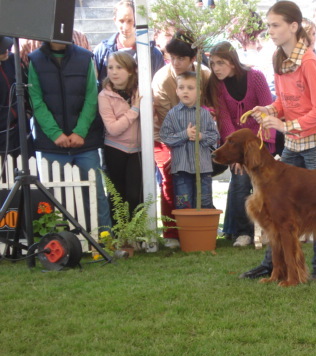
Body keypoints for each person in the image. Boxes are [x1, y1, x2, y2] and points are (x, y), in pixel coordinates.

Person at [239, 0, 316, 282]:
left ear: (293, 27)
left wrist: (285, 126)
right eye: (269, 25)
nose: (270, 30)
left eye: (275, 25)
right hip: (294, 143)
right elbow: (284, 102)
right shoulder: (278, 57)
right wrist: (269, 110)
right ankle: (272, 265)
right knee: (276, 204)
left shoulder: (310, 61)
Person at [28, 41, 111, 231]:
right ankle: (61, 239)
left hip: (85, 142)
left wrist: (80, 131)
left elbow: (92, 96)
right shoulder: (35, 60)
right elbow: (35, 100)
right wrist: (55, 133)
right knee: (55, 196)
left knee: (96, 193)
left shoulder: (85, 57)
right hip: (51, 144)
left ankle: (105, 237)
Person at [205, 41, 275, 247]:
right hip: (236, 145)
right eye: (212, 63)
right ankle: (241, 232)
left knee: (263, 184)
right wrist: (236, 154)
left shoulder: (256, 77)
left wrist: (257, 147)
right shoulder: (217, 85)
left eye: (220, 63)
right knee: (240, 179)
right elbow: (224, 119)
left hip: (261, 141)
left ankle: (263, 229)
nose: (216, 68)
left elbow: (267, 111)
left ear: (232, 61)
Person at [152, 30, 211, 247]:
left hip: (198, 136)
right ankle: (171, 232)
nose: (175, 63)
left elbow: (210, 107)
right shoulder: (162, 79)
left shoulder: (204, 75)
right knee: (170, 176)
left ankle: (199, 225)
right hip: (165, 137)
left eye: (181, 58)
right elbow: (165, 119)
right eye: (172, 57)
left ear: (193, 58)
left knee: (200, 178)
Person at [160, 71, 219, 210]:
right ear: (177, 91)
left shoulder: (204, 114)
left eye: (190, 88)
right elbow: (165, 137)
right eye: (181, 87)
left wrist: (201, 137)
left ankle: (204, 224)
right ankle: (186, 225)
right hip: (181, 169)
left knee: (204, 203)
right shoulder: (172, 114)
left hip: (203, 169)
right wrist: (184, 134)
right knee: (183, 204)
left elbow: (214, 136)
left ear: (199, 92)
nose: (185, 91)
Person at [98, 51, 142, 218]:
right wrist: (134, 110)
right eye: (110, 68)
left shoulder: (140, 91)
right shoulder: (104, 96)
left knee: (135, 194)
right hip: (115, 149)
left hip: (138, 149)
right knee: (117, 195)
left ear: (130, 70)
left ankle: (137, 230)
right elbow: (113, 129)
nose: (114, 72)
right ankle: (118, 231)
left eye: (119, 67)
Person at [93, 0, 165, 86]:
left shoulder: (154, 54)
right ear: (115, 20)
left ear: (137, 21)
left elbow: (160, 86)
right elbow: (94, 85)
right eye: (121, 21)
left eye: (130, 21)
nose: (125, 27)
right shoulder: (101, 51)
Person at [0, 36, 22, 172]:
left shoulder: (12, 60)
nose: (6, 51)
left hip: (18, 130)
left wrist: (26, 112)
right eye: (2, 50)